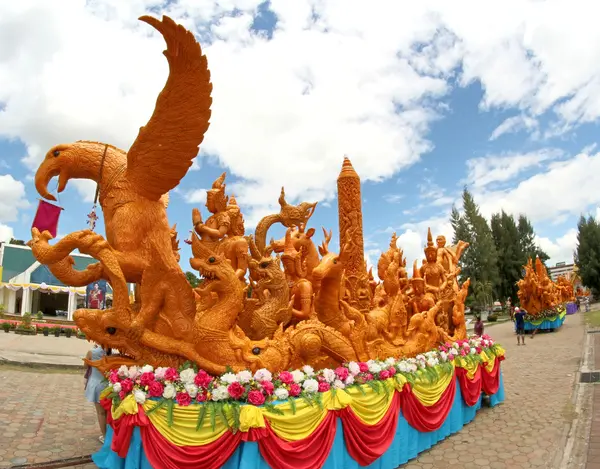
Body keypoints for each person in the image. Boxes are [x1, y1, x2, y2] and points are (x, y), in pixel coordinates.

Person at [84, 344, 109, 443]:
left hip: (97, 384)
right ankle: (110, 435)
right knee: (108, 412)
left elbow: (85, 365)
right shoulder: (113, 353)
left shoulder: (92, 352)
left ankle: (105, 436)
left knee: (101, 413)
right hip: (110, 385)